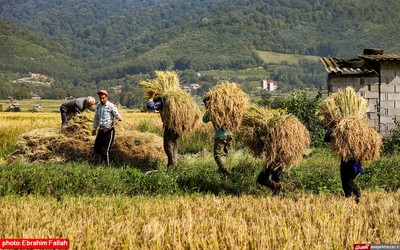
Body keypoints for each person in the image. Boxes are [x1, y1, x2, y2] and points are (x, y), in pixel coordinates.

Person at [324, 127, 362, 203]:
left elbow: (327, 138)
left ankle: (357, 195)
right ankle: (349, 197)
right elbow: (327, 138)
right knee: (346, 181)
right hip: (354, 162)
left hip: (350, 163)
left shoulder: (343, 136)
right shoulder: (357, 137)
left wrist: (334, 127)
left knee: (347, 180)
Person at [146, 90, 179, 168]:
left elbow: (151, 106)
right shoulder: (176, 101)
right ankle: (174, 165)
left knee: (168, 146)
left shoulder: (164, 101)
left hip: (170, 126)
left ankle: (171, 165)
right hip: (179, 126)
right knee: (175, 145)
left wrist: (151, 97)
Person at [92, 90, 122, 167]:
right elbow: (96, 118)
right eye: (100, 98)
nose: (102, 100)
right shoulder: (98, 106)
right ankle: (101, 164)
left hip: (109, 130)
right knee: (97, 148)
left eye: (103, 98)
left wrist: (119, 118)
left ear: (107, 97)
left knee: (105, 150)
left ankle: (107, 168)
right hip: (101, 130)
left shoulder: (111, 106)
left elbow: (117, 115)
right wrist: (94, 128)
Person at [202, 97, 231, 175]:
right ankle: (223, 173)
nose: (205, 106)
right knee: (223, 155)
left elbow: (204, 120)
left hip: (220, 136)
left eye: (205, 104)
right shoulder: (223, 109)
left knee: (217, 155)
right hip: (228, 135)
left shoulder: (211, 111)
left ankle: (225, 171)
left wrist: (208, 109)